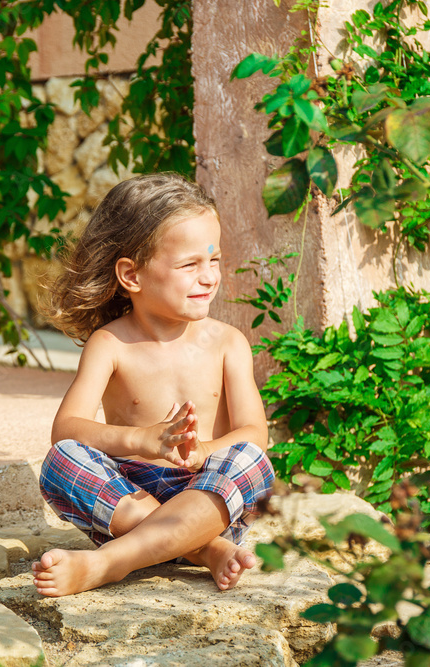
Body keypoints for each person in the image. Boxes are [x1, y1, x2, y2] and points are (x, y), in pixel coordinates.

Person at [32, 172, 275, 597]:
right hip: (128, 496)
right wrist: (142, 440)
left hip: (207, 494)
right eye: (189, 265)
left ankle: (108, 563)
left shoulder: (227, 343)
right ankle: (205, 549)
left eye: (214, 260)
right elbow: (66, 429)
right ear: (132, 275)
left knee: (251, 461)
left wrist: (203, 451)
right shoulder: (110, 344)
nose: (209, 277)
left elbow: (255, 433)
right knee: (61, 461)